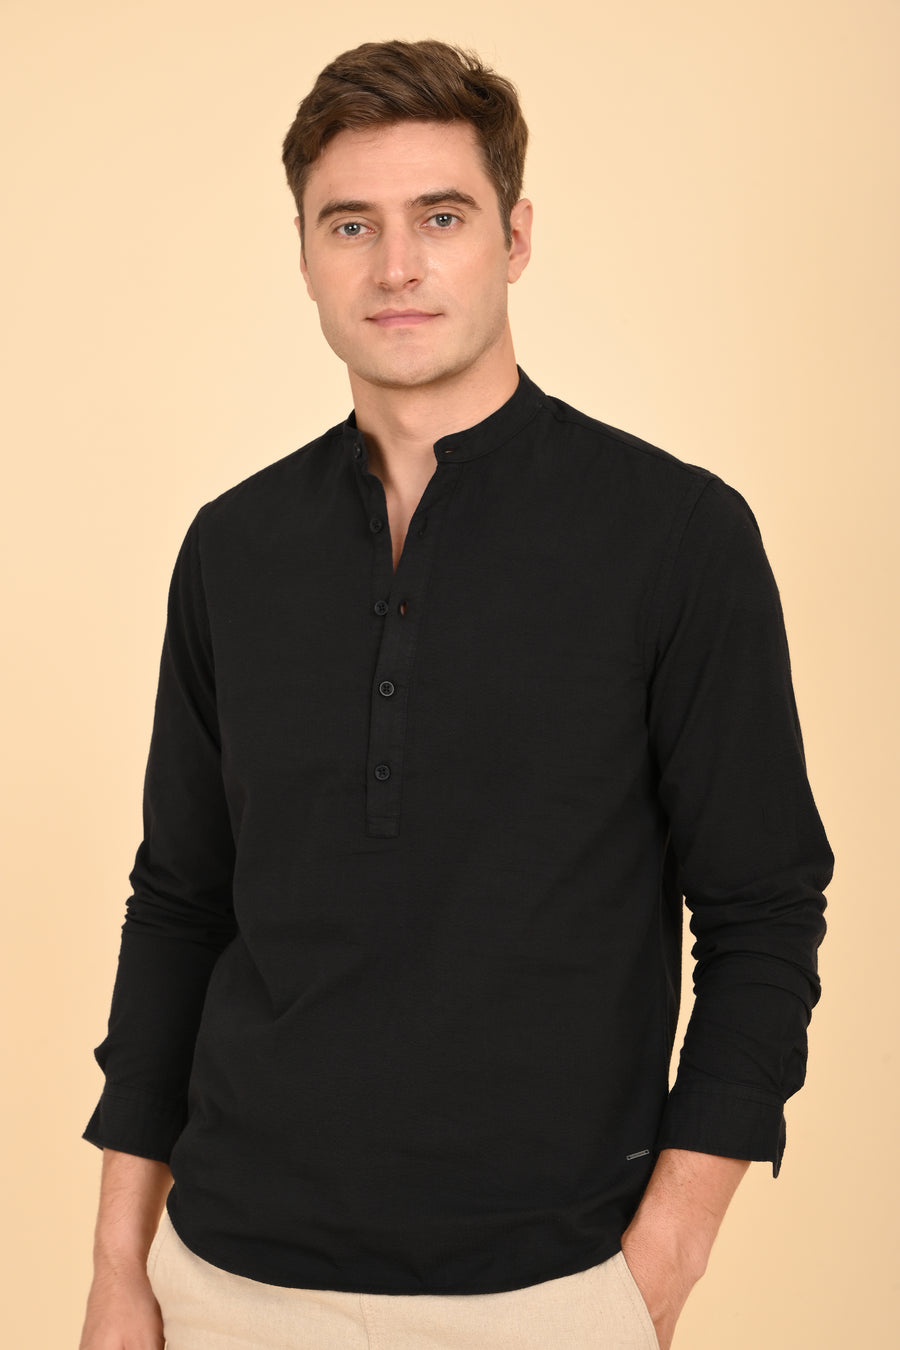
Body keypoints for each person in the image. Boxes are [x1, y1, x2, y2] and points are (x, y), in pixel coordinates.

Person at [79, 38, 833, 1350]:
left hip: (553, 1291)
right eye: (350, 224)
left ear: (514, 236)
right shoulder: (232, 547)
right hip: (229, 1283)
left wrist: (656, 1267)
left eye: (441, 216)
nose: (396, 267)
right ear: (304, 254)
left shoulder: (677, 536)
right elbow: (181, 905)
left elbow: (764, 912)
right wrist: (117, 1268)